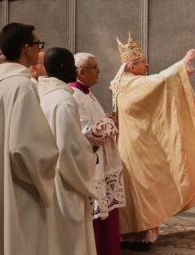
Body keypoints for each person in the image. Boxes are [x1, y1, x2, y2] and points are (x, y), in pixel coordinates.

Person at [110, 34, 195, 250]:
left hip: (138, 143)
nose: (147, 64)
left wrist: (181, 71)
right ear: (131, 66)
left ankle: (142, 231)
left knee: (145, 188)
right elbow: (159, 81)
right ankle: (135, 234)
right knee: (140, 188)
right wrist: (181, 64)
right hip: (135, 146)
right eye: (143, 62)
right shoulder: (129, 84)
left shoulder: (125, 82)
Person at [0, 23, 59, 255]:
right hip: (17, 190)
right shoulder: (23, 86)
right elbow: (27, 148)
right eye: (38, 45)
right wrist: (50, 163)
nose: (39, 50)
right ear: (26, 48)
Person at [38, 47, 97, 255]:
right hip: (66, 181)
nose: (75, 69)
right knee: (71, 240)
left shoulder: (43, 97)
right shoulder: (63, 101)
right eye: (72, 65)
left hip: (48, 176)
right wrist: (91, 155)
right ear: (63, 67)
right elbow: (69, 148)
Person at [71, 52, 124, 255]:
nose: (99, 71)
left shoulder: (87, 92)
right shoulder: (74, 95)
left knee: (109, 219)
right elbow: (88, 134)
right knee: (99, 224)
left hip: (106, 164)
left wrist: (106, 119)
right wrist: (110, 123)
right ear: (82, 71)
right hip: (94, 166)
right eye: (95, 67)